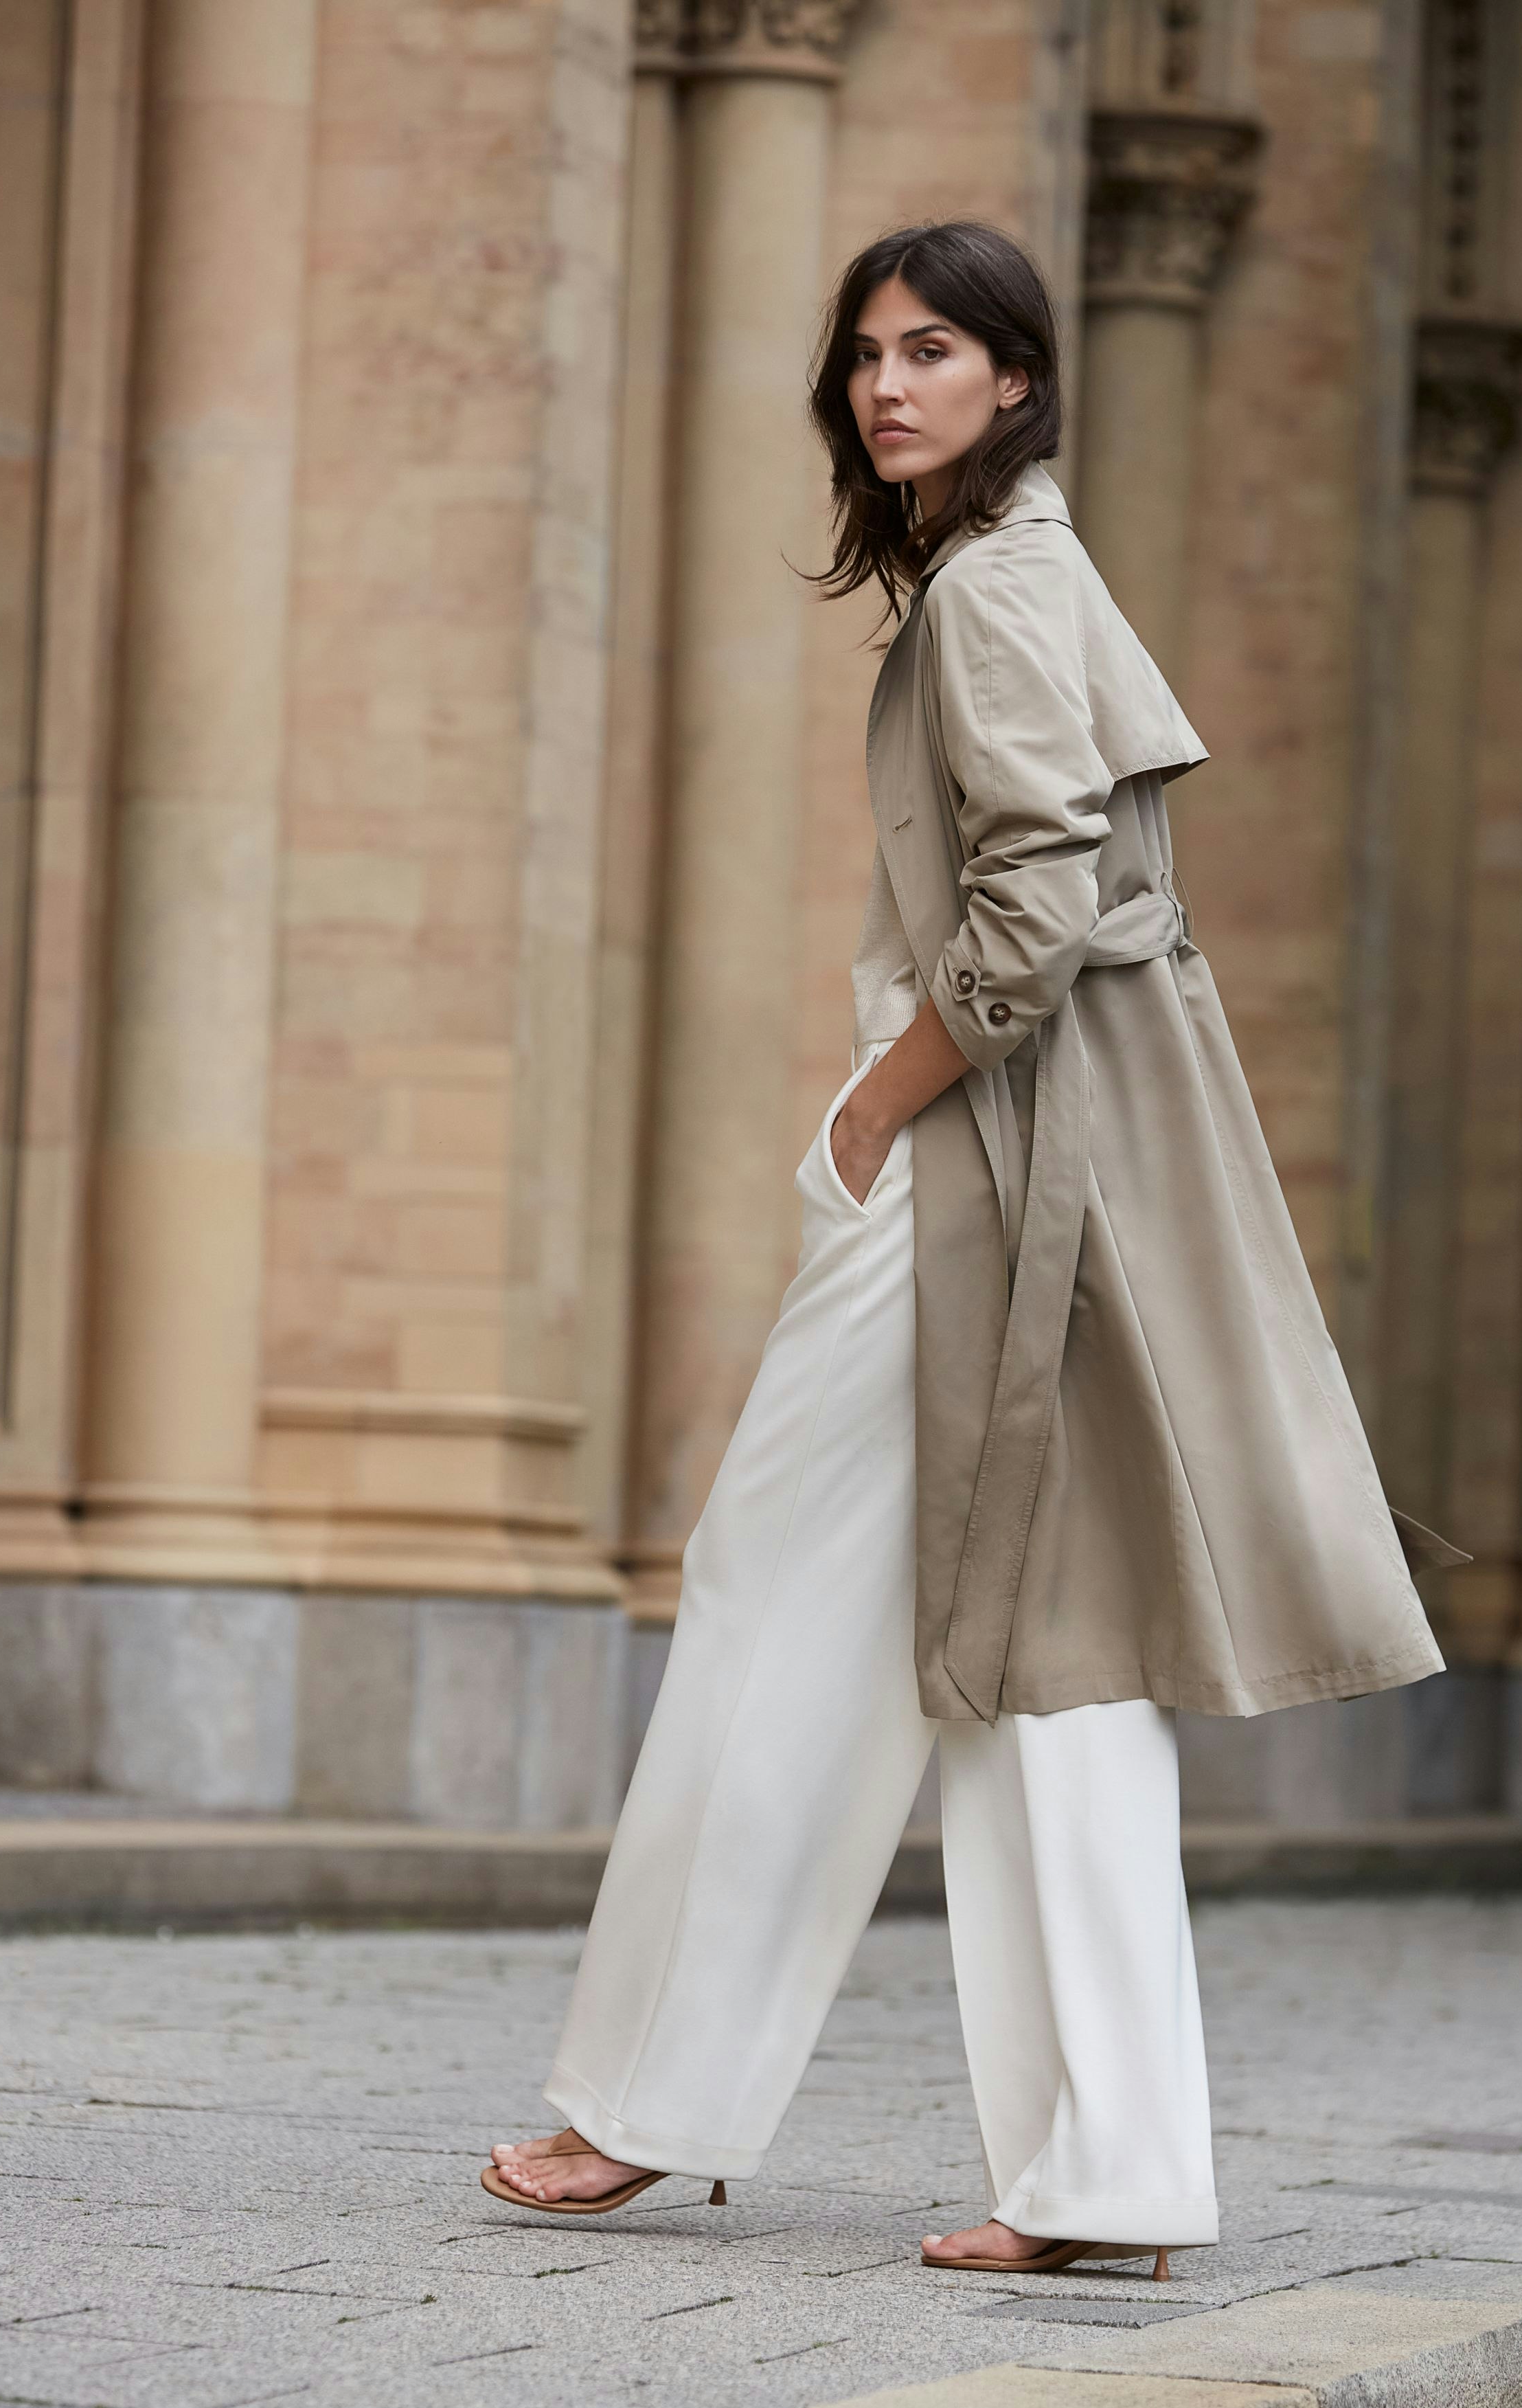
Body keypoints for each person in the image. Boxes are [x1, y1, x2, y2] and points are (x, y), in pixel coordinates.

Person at [482, 220, 1457, 2279]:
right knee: (1045, 1659)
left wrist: (871, 1104)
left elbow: (1033, 904)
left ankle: (646, 2106)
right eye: (864, 356)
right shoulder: (1013, 579)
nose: (888, 385)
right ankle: (1099, 2177)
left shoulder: (1001, 592)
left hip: (975, 1173)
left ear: (1018, 379)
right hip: (1052, 1173)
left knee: (783, 1598)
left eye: (936, 350)